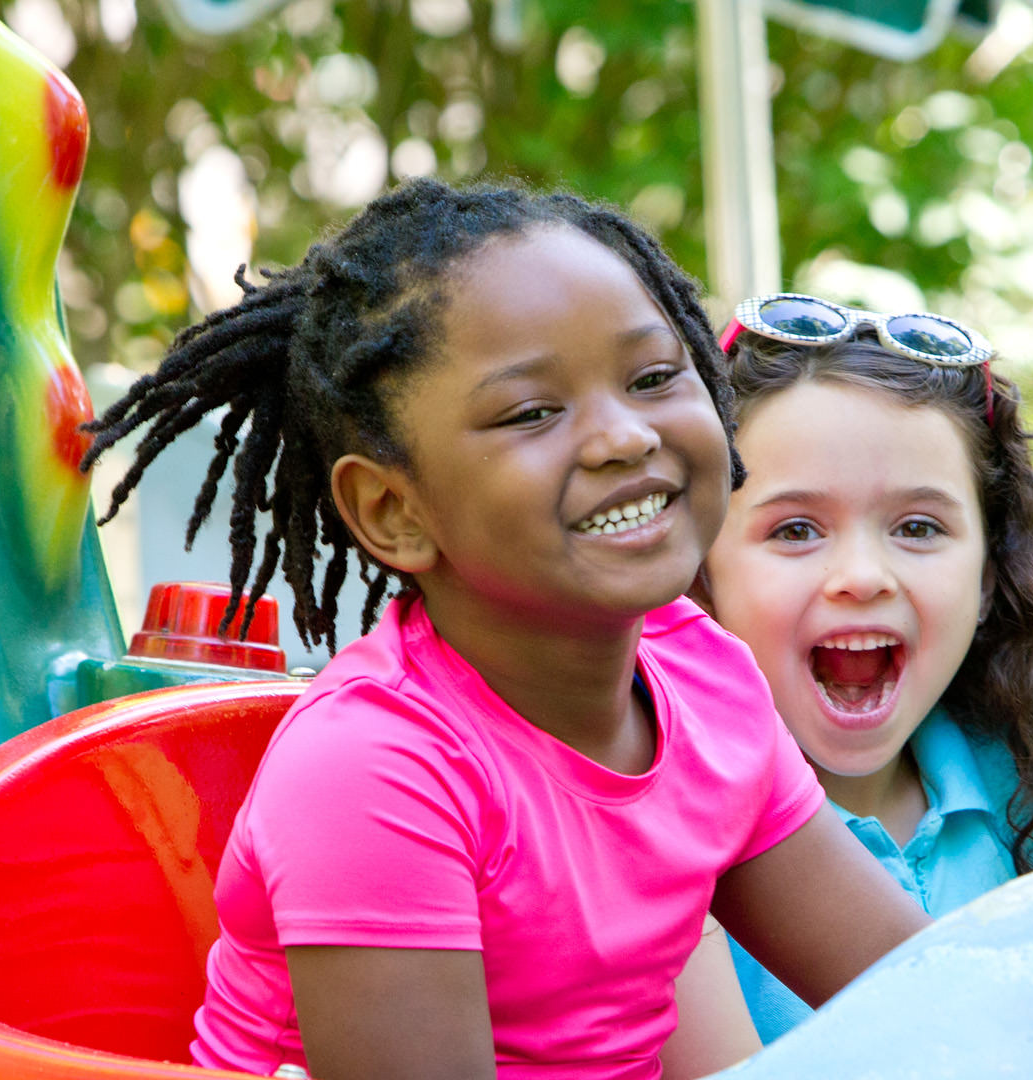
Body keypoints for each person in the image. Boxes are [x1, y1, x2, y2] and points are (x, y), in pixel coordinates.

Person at [79, 184, 929, 1080]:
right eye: (532, 412)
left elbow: (924, 991)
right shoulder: (377, 766)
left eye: (651, 378)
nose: (624, 437)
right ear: (392, 510)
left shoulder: (705, 674)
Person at [700, 293, 1033, 1043]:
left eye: (917, 527)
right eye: (795, 529)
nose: (861, 575)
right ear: (702, 572)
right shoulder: (673, 832)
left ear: (990, 579)